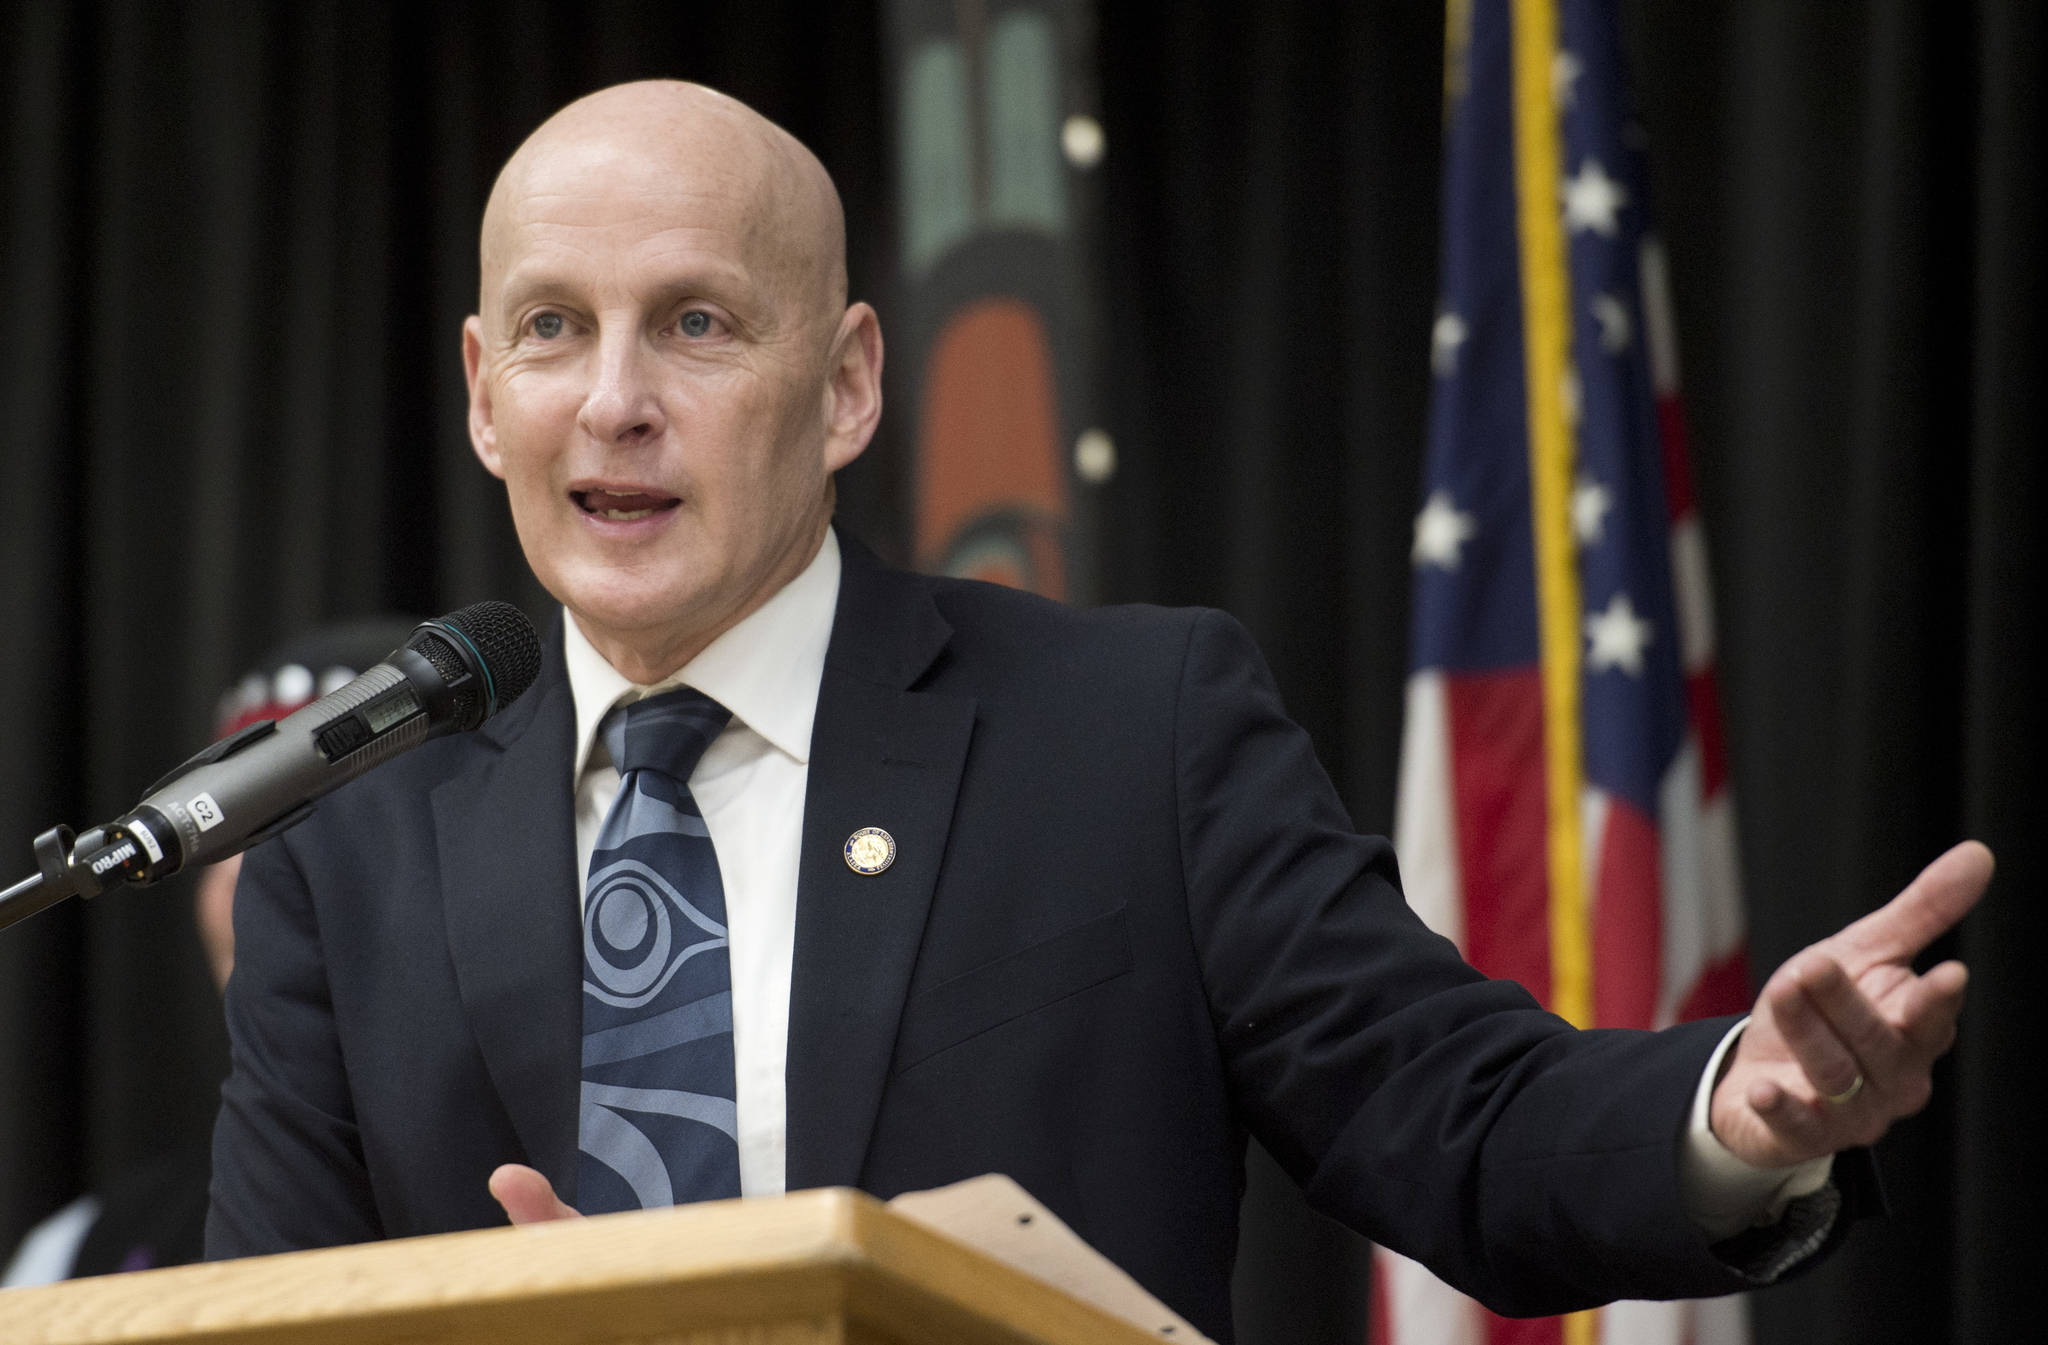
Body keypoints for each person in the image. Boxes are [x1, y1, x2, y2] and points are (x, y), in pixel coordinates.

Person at [204, 81, 1988, 1341]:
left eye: (692, 325)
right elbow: (263, 1325)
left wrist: (1728, 1111)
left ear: (841, 388)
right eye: (549, 330)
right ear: (477, 393)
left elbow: (1454, 1120)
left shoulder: (1129, 733)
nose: (612, 403)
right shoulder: (347, 852)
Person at [0, 620, 417, 1288]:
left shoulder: (591, 1172)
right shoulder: (88, 1248)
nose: (247, 884)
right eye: (225, 832)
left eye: (309, 828)